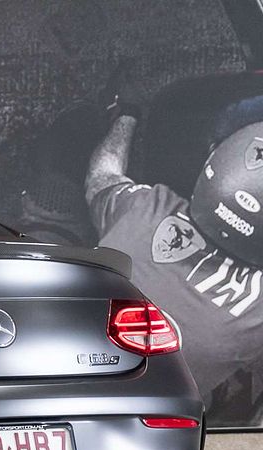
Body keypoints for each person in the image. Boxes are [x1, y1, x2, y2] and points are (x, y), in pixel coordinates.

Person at [86, 106, 263, 426]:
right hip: (146, 432)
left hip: (53, 386)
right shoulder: (256, 310)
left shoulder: (144, 208)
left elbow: (102, 176)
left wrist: (126, 113)